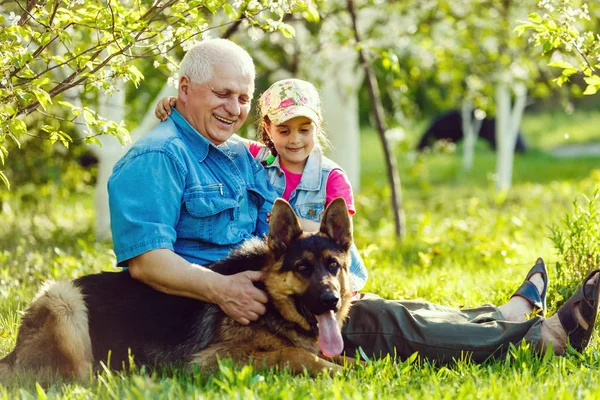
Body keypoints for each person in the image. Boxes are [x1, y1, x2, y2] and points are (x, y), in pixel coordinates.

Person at [109, 38, 600, 365]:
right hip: (224, 309)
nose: (233, 109)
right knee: (382, 324)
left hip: (276, 286)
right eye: (221, 94)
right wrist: (223, 291)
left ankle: (501, 317)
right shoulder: (157, 158)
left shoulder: (238, 154)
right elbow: (148, 263)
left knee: (385, 307)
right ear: (185, 89)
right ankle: (543, 339)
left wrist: (338, 261)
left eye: (242, 97)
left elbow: (282, 222)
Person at [154, 78, 368, 293]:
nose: (294, 140)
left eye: (304, 130)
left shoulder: (331, 177)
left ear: (317, 125)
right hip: (274, 268)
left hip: (319, 270)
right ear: (268, 127)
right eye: (284, 131)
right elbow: (217, 132)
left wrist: (293, 223)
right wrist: (181, 106)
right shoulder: (259, 157)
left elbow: (341, 233)